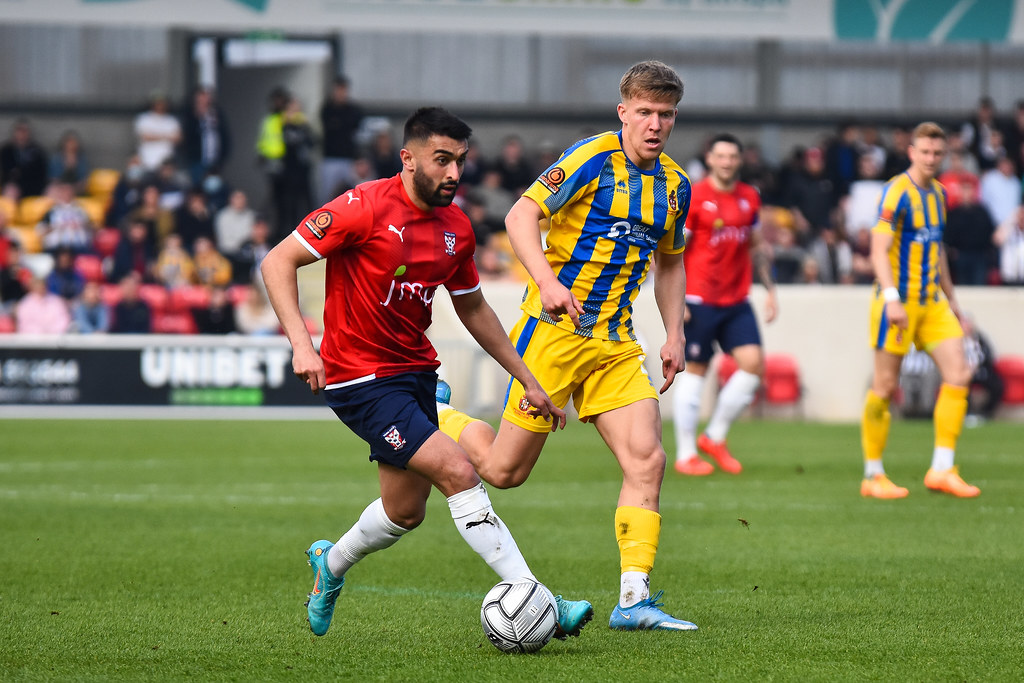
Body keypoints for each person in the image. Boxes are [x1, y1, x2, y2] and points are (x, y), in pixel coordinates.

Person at [259, 106, 593, 640]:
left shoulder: (457, 228)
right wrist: (303, 344)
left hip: (415, 370)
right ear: (408, 159)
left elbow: (474, 308)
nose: (455, 173)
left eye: (461, 161)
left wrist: (528, 379)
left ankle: (331, 565)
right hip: (359, 378)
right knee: (460, 471)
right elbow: (277, 261)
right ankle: (540, 599)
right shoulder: (362, 207)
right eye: (442, 160)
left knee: (404, 512)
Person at [435, 61, 697, 631]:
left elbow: (671, 261)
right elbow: (521, 215)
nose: (655, 124)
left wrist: (675, 331)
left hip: (616, 343)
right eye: (645, 112)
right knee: (504, 473)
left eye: (666, 114)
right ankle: (439, 412)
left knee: (647, 460)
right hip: (552, 336)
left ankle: (634, 598)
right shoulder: (591, 158)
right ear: (624, 110)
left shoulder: (676, 185)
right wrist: (549, 282)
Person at [860, 122, 979, 499]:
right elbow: (879, 250)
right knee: (884, 387)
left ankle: (942, 469)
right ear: (911, 152)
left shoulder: (941, 194)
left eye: (937, 153)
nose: (931, 159)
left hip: (932, 304)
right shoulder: (896, 192)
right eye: (924, 152)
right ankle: (872, 475)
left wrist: (954, 304)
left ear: (944, 155)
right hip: (897, 303)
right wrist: (893, 298)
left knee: (959, 374)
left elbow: (937, 250)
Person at [671, 133, 778, 476]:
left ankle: (714, 437)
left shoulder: (749, 197)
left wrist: (771, 289)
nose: (727, 162)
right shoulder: (696, 196)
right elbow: (672, 253)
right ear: (710, 159)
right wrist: (677, 301)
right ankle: (686, 454)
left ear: (739, 160)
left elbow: (757, 245)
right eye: (721, 156)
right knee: (697, 373)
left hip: (736, 299)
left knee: (754, 364)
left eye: (733, 156)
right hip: (699, 299)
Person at [318, 75, 365, 203]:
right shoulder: (328, 109)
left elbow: (358, 133)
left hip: (349, 158)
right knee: (328, 195)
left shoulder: (354, 110)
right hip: (331, 158)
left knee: (352, 195)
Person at [180, 86, 232, 186]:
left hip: (214, 160)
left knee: (214, 187)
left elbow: (224, 136)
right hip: (197, 160)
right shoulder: (190, 114)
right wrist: (198, 115)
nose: (205, 99)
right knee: (197, 186)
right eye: (202, 96)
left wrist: (222, 157)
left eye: (207, 96)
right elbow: (187, 136)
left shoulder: (216, 114)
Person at [0, 118, 49, 198]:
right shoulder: (6, 150)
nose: (22, 133)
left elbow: (39, 173)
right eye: (20, 130)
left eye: (25, 130)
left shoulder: (37, 151)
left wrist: (20, 172)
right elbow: (8, 172)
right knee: (11, 190)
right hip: (14, 186)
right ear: (14, 132)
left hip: (33, 187)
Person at [134, 92, 182, 172]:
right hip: (147, 163)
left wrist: (155, 135)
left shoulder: (172, 120)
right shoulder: (143, 119)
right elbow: (145, 137)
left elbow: (178, 138)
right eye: (158, 102)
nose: (160, 105)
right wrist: (168, 136)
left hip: (166, 166)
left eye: (162, 102)